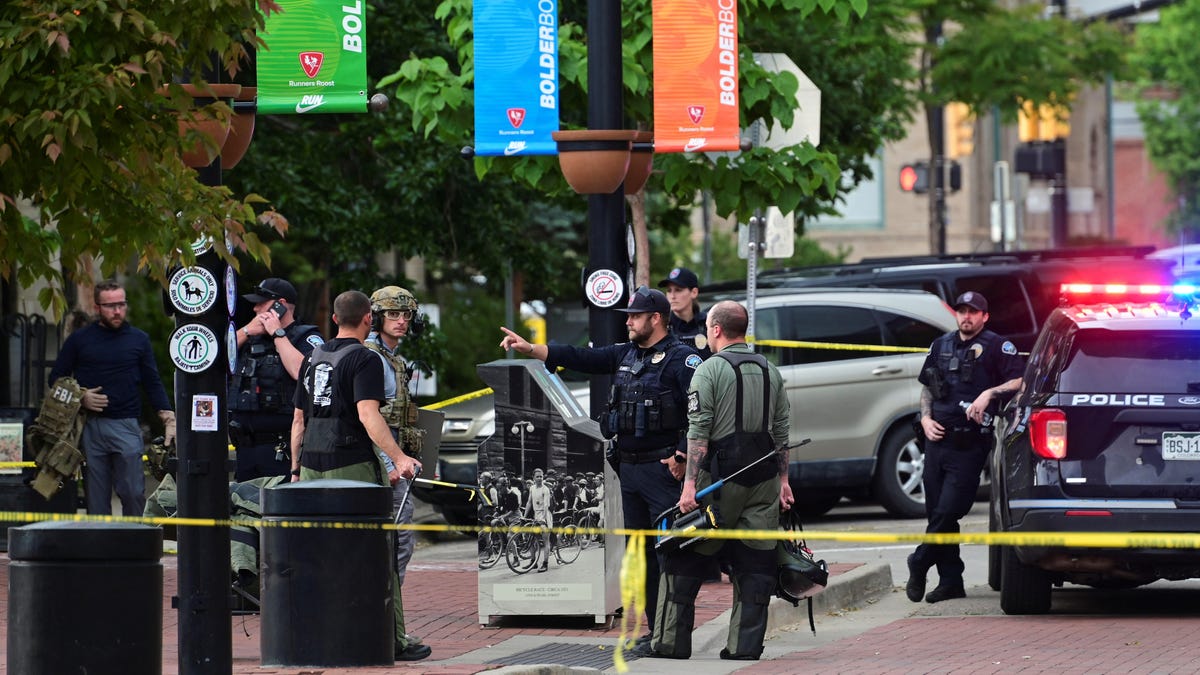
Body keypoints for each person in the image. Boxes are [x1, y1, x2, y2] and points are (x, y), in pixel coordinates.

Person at [499, 285, 701, 643]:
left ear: (656, 318)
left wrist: (682, 454)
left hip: (664, 470)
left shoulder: (682, 360)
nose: (629, 323)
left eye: (636, 317)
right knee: (642, 555)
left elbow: (700, 414)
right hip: (629, 470)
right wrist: (531, 349)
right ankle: (657, 631)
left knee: (672, 554)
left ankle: (675, 634)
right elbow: (581, 357)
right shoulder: (625, 354)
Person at [640, 300, 792, 661]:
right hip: (764, 482)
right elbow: (783, 432)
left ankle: (669, 643)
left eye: (708, 328)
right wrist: (784, 481)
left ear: (717, 330)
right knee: (755, 566)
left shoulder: (708, 371)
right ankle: (744, 648)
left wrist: (689, 486)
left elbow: (698, 433)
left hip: (718, 484)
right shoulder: (771, 370)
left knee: (683, 558)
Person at [289, 290, 430, 662]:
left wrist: (294, 470)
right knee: (377, 554)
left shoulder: (313, 358)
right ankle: (393, 637)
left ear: (334, 319)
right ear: (369, 318)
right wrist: (399, 459)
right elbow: (369, 416)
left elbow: (299, 419)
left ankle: (321, 631)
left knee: (319, 554)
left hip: (311, 467)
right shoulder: (364, 359)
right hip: (352, 467)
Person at [907, 291, 1023, 604]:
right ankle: (950, 580)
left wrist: (988, 394)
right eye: (962, 311)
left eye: (973, 312)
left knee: (949, 510)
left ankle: (919, 561)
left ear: (985, 316)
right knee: (936, 513)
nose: (966, 317)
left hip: (970, 442)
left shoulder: (999, 346)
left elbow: (1019, 381)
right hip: (937, 441)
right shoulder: (941, 345)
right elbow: (927, 387)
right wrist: (926, 418)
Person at [48, 279, 176, 515]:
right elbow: (55, 381)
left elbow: (152, 381)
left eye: (121, 304)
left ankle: (135, 546)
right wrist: (80, 396)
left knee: (133, 492)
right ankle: (101, 550)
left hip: (126, 424)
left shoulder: (139, 339)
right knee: (96, 498)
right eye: (110, 306)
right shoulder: (79, 340)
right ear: (97, 308)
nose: (117, 311)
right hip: (90, 427)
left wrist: (168, 417)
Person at [365, 285, 426, 646]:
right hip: (386, 467)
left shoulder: (393, 359)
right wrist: (391, 463)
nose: (401, 321)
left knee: (400, 541)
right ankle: (386, 622)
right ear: (375, 317)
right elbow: (369, 418)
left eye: (406, 315)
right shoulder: (374, 358)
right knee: (397, 541)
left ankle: (388, 619)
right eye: (393, 315)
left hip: (397, 464)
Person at [229, 277, 323, 482]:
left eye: (261, 304)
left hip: (282, 449)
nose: (255, 309)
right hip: (245, 448)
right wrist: (246, 331)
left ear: (280, 305)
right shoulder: (251, 336)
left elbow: (303, 372)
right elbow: (214, 357)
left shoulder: (305, 337)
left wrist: (277, 334)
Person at [658, 267, 711, 359]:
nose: (672, 296)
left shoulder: (709, 324)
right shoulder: (660, 326)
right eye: (669, 290)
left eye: (678, 290)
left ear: (694, 292)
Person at [524, 468, 554, 572]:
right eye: (537, 476)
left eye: (541, 476)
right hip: (536, 515)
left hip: (545, 516)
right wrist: (524, 516)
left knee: (546, 541)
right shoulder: (532, 488)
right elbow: (529, 502)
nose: (540, 478)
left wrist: (544, 520)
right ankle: (533, 561)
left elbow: (546, 505)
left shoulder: (545, 489)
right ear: (533, 478)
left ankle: (545, 563)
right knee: (531, 538)